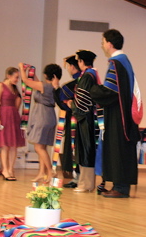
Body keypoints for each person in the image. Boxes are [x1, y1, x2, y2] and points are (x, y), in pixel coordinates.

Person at [90, 29, 141, 198]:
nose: (102, 45)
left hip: (118, 116)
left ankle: (120, 188)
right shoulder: (124, 61)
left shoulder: (116, 63)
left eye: (103, 41)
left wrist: (93, 89)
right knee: (121, 149)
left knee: (117, 149)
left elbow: (110, 91)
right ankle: (120, 186)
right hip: (124, 113)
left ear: (109, 44)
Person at [18, 62, 62, 184]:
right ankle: (42, 173)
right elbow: (35, 83)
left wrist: (22, 68)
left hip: (43, 117)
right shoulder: (50, 86)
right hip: (48, 116)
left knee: (38, 147)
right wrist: (33, 73)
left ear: (47, 75)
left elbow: (26, 82)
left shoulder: (45, 86)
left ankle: (50, 171)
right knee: (42, 146)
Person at [71, 50, 99, 193]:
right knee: (85, 149)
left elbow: (82, 101)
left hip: (85, 118)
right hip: (87, 117)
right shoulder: (90, 75)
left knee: (86, 149)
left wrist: (72, 106)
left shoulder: (87, 76)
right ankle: (85, 183)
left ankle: (86, 184)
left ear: (81, 61)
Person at [0, 67, 26, 181]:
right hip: (4, 115)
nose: (17, 80)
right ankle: (5, 170)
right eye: (16, 77)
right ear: (9, 75)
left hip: (13, 116)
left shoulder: (15, 88)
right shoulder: (0, 86)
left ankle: (11, 169)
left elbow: (18, 102)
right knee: (5, 144)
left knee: (13, 145)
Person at [53, 55, 81, 188]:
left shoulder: (70, 86)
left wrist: (56, 88)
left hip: (75, 121)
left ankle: (77, 178)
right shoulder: (89, 81)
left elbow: (63, 104)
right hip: (86, 121)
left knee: (74, 147)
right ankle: (80, 178)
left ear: (72, 66)